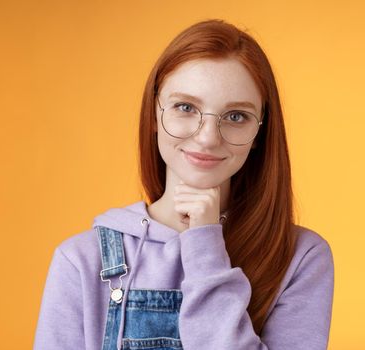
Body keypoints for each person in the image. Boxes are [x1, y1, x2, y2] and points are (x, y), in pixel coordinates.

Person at [34, 19, 334, 350]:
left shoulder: (300, 258)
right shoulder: (81, 260)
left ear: (258, 134)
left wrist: (205, 247)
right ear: (154, 114)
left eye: (236, 116)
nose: (207, 138)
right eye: (186, 107)